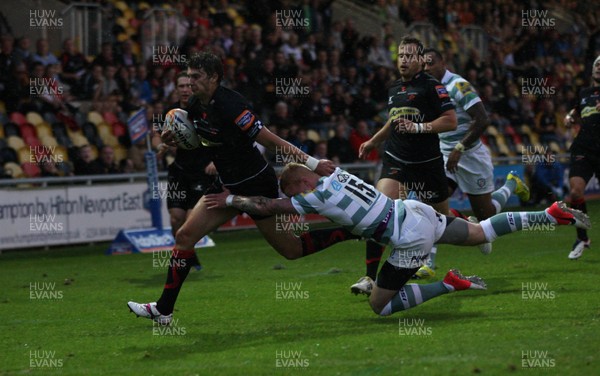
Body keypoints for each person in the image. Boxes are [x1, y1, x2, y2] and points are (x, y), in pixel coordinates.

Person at [127, 52, 361, 325]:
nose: (190, 82)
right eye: (188, 76)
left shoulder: (232, 104)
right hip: (225, 184)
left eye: (196, 77)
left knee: (292, 250)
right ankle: (163, 310)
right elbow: (193, 136)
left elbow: (270, 140)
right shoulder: (194, 104)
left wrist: (312, 162)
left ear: (214, 77)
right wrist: (171, 138)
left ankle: (351, 230)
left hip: (254, 185)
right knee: (184, 236)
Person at [203, 163, 590, 316]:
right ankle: (549, 214)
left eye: (292, 188)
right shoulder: (335, 173)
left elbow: (268, 206)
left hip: (407, 238)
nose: (293, 194)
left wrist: (231, 200)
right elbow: (303, 163)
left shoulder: (312, 194)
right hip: (413, 210)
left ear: (298, 184)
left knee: (379, 307)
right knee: (480, 231)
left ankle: (449, 284)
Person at [350, 36, 457, 294]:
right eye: (401, 55)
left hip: (427, 164)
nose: (404, 60)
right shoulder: (394, 88)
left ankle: (478, 230)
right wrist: (374, 141)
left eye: (410, 56)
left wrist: (419, 127)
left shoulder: (433, 87)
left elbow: (451, 121)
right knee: (378, 211)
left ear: (421, 60)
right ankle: (369, 278)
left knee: (444, 221)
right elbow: (394, 119)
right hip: (396, 161)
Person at [158, 72, 219, 238]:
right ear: (176, 89)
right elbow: (164, 139)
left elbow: (219, 137)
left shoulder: (205, 110)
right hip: (179, 170)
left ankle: (185, 256)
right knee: (175, 219)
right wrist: (163, 146)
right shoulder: (170, 112)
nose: (185, 89)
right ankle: (183, 254)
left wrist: (215, 161)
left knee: (190, 219)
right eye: (181, 86)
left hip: (202, 170)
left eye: (188, 86)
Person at [563, 54, 600, 259]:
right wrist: (570, 117)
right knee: (575, 193)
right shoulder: (584, 92)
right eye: (597, 64)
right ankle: (582, 238)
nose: (599, 67)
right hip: (584, 146)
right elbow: (576, 109)